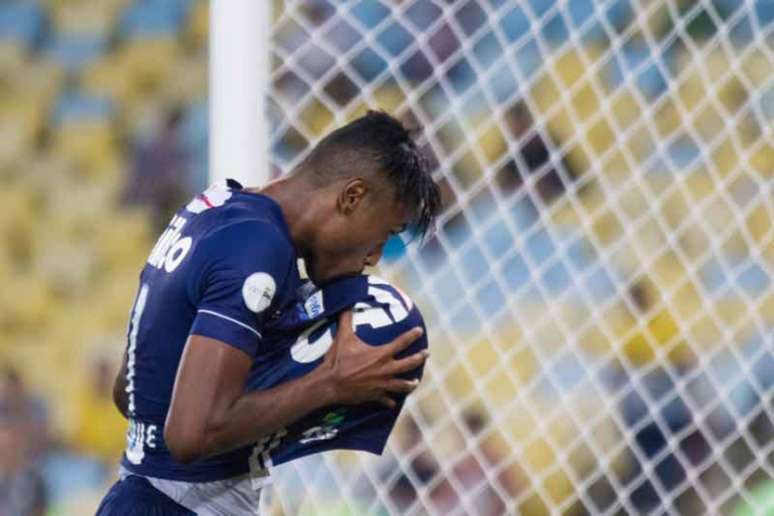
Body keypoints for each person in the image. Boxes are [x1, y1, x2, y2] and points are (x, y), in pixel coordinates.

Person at [97, 111, 441, 515]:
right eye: (384, 234)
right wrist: (329, 382)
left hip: (142, 495)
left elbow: (130, 391)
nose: (374, 255)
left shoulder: (215, 208)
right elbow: (190, 435)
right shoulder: (259, 248)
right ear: (352, 197)